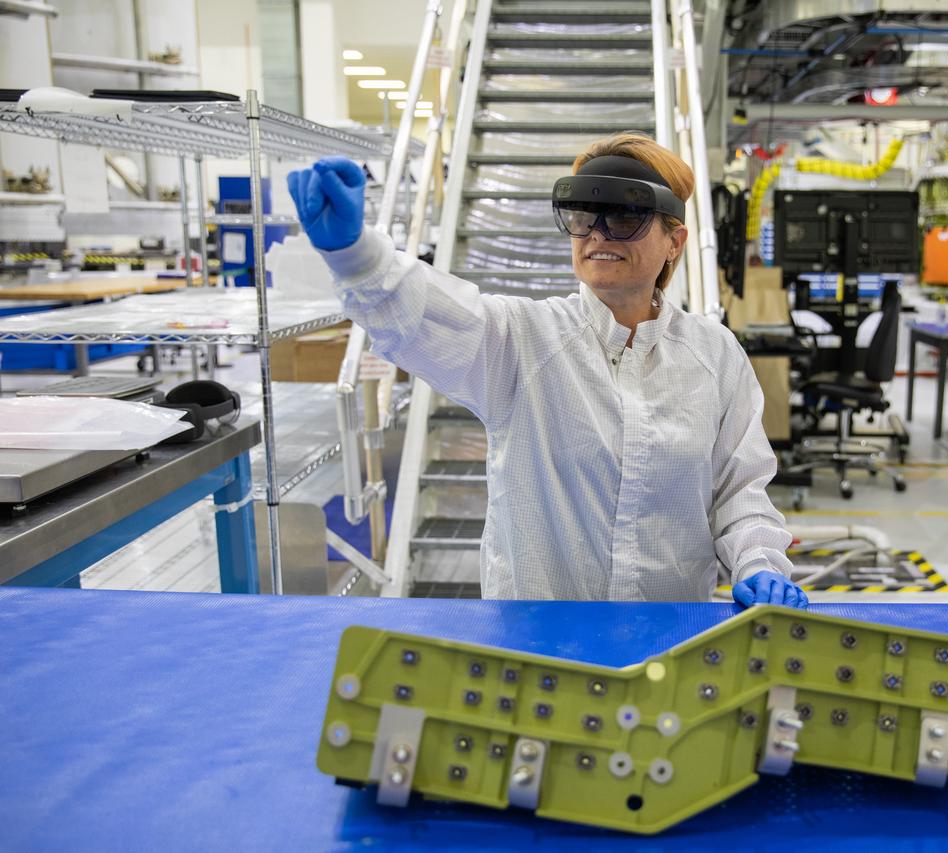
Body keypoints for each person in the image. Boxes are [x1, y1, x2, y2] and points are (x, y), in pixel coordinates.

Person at [287, 132, 806, 608]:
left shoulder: (713, 355)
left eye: (625, 217)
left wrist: (758, 562)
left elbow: (740, 491)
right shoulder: (523, 341)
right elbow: (421, 315)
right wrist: (355, 254)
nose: (598, 234)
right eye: (582, 216)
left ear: (675, 241)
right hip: (536, 638)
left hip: (669, 633)